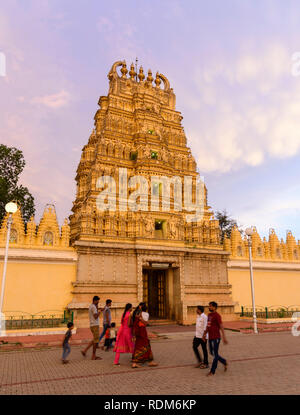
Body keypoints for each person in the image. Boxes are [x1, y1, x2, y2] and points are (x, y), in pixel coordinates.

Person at [203, 301, 228, 376]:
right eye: (209, 306)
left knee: (215, 354)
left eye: (210, 306)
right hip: (210, 337)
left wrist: (224, 337)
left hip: (216, 338)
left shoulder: (217, 316)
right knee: (212, 352)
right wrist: (204, 334)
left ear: (214, 307)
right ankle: (224, 361)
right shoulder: (209, 315)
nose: (209, 307)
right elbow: (208, 325)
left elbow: (221, 326)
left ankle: (212, 371)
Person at [132, 304, 158, 368]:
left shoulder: (136, 313)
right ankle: (148, 361)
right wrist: (141, 319)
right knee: (146, 345)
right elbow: (146, 323)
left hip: (138, 332)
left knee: (138, 346)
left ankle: (136, 362)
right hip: (142, 331)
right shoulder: (146, 314)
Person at [81, 295, 102, 360]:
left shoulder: (91, 306)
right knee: (96, 341)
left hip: (92, 325)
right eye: (97, 301)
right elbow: (95, 316)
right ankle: (93, 356)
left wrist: (97, 308)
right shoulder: (93, 307)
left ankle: (85, 350)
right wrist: (99, 312)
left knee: (95, 340)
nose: (98, 302)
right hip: (95, 325)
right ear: (95, 300)